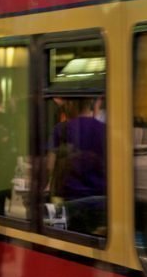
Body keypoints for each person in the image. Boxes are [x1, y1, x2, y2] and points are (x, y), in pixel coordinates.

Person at [46, 96, 107, 235]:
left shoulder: (60, 130)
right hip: (101, 204)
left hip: (67, 204)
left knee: (59, 244)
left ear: (70, 104)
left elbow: (50, 166)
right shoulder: (106, 130)